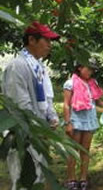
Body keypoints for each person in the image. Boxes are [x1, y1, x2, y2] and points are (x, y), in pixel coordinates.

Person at [1, 21, 60, 190]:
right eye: (46, 41)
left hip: (38, 133)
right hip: (23, 135)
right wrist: (40, 128)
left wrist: (52, 116)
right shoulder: (17, 66)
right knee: (23, 179)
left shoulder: (39, 67)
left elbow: (47, 97)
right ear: (32, 40)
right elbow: (20, 106)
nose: (49, 45)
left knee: (39, 177)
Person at [63, 58, 103, 190]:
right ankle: (71, 178)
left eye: (92, 70)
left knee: (85, 151)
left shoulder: (92, 83)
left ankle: (83, 178)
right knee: (73, 151)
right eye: (88, 68)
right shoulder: (70, 83)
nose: (90, 72)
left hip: (89, 121)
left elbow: (96, 101)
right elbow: (66, 105)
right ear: (79, 67)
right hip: (76, 120)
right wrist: (68, 123)